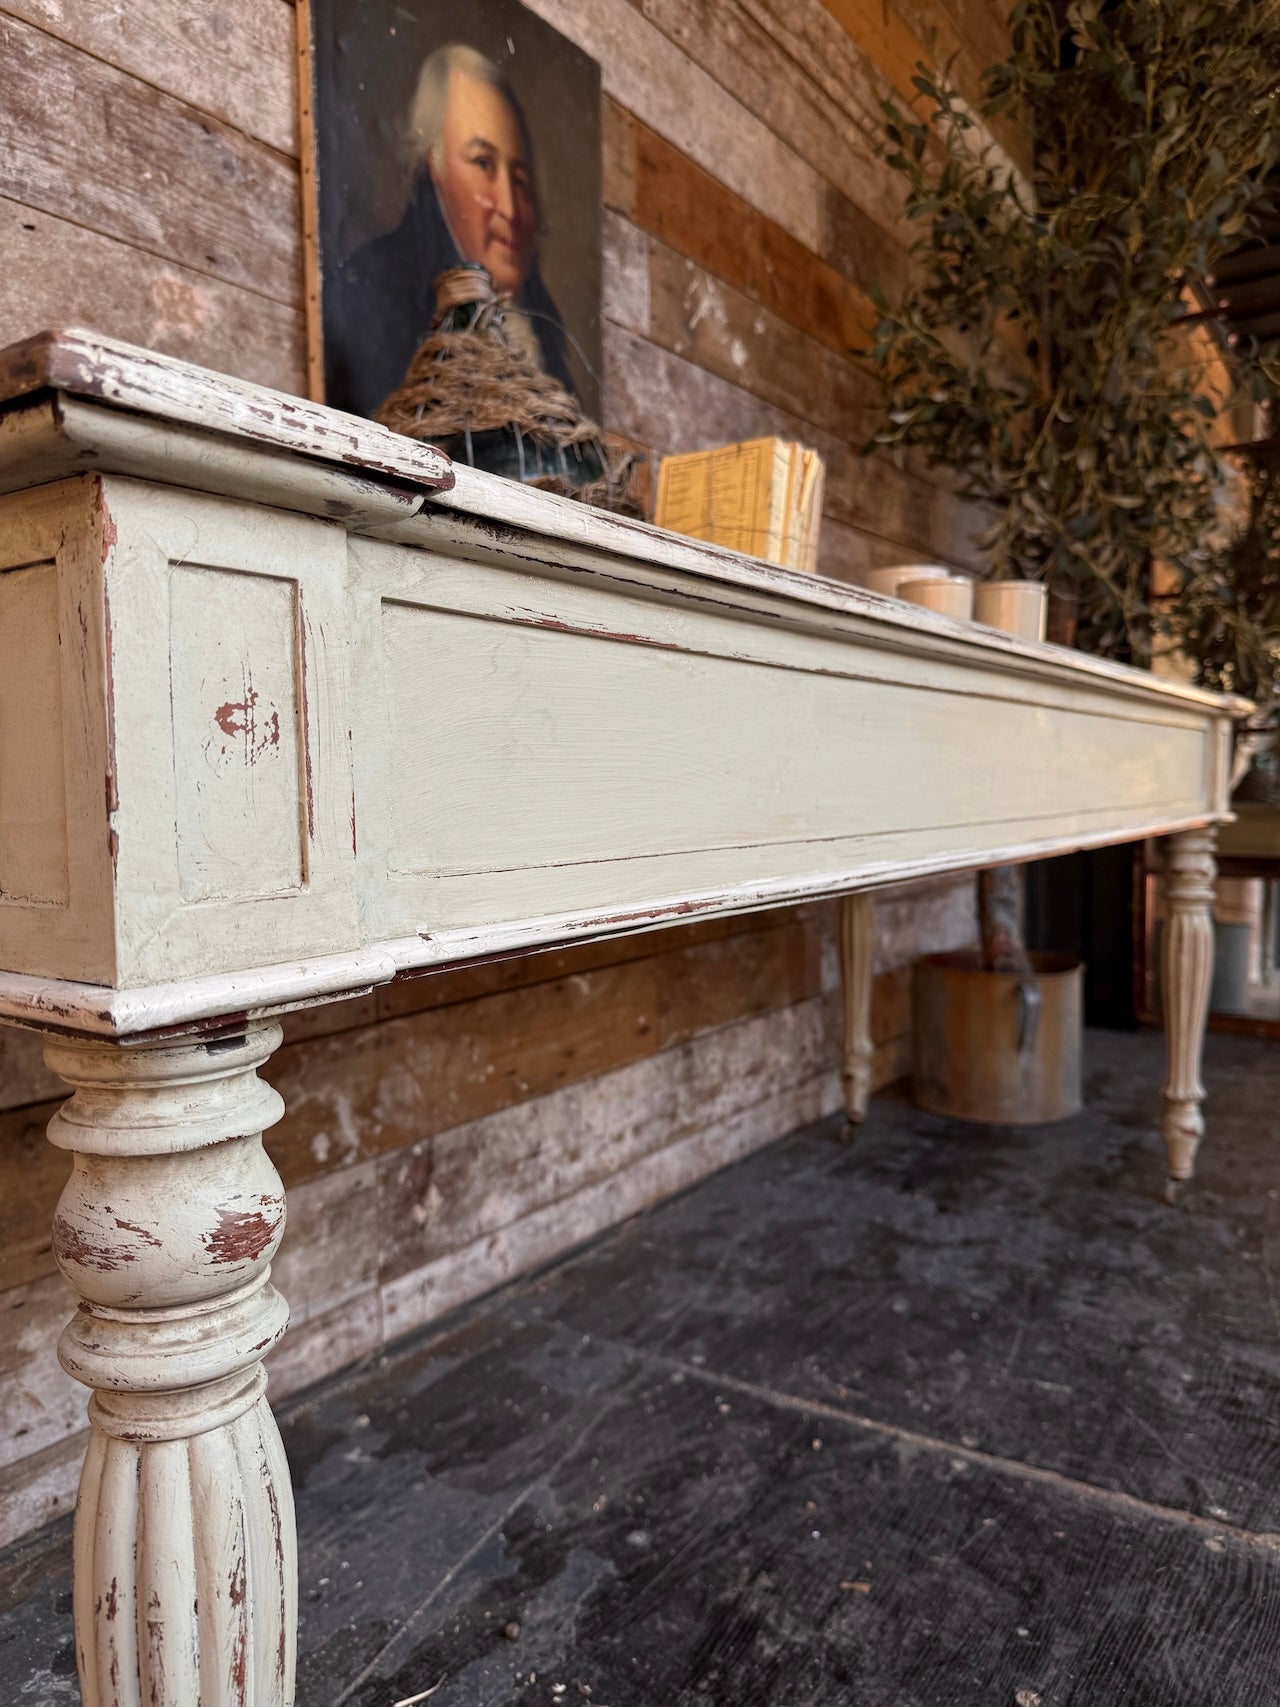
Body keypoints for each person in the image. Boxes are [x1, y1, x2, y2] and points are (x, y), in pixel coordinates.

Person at [323, 43, 577, 419]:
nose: (508, 207)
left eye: (521, 181)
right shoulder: (370, 285)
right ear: (435, 168)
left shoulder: (545, 331)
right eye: (482, 163)